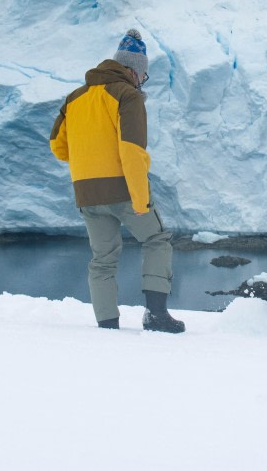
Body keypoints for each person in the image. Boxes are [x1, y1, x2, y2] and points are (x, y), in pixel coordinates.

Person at [49, 29, 184, 333]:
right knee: (157, 240)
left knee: (103, 259)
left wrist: (89, 158)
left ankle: (107, 324)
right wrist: (140, 199)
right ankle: (156, 315)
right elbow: (132, 150)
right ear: (134, 71)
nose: (143, 80)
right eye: (144, 75)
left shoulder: (74, 98)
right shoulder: (127, 95)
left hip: (86, 192)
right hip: (123, 188)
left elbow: (58, 147)